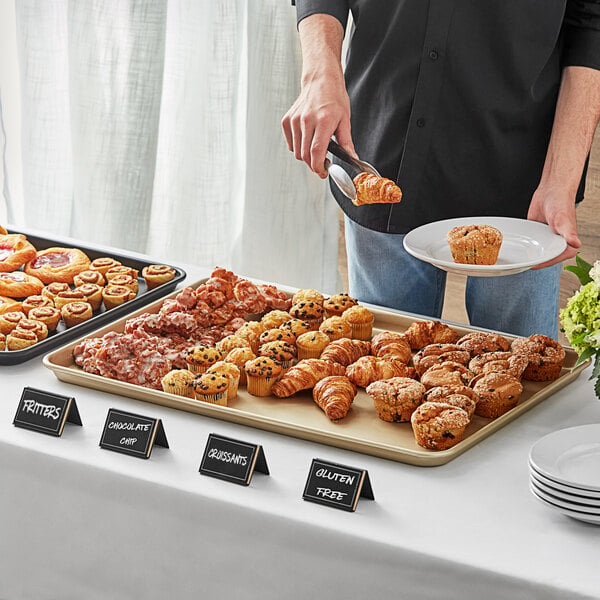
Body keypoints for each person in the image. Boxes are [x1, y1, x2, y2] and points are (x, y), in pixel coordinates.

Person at [282, 1, 600, 339]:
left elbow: (592, 20)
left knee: (522, 377)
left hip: (522, 188)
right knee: (382, 374)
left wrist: (560, 180)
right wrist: (318, 73)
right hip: (383, 159)